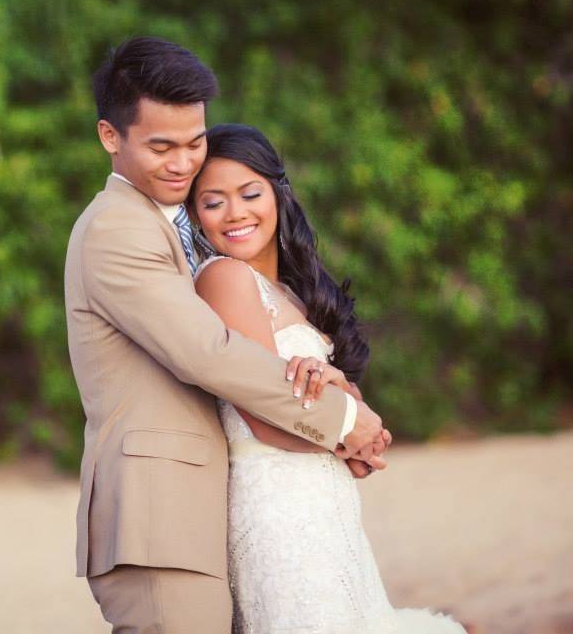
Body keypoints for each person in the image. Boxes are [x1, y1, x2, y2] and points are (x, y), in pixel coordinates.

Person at [64, 37, 390, 633]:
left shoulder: (171, 229)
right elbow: (206, 352)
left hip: (200, 510)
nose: (184, 163)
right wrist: (344, 425)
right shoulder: (117, 227)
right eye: (161, 147)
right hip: (156, 517)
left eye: (195, 143)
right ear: (110, 137)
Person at [189, 122, 467, 633]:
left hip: (325, 508)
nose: (235, 214)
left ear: (278, 192)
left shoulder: (291, 292)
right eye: (213, 202)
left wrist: (344, 397)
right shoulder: (224, 279)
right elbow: (269, 421)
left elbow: (332, 401)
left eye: (250, 193)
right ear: (193, 214)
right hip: (282, 515)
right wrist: (356, 434)